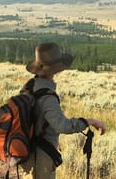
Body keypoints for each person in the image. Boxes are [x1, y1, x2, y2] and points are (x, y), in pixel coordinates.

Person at [20, 42, 106, 179]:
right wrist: (89, 121)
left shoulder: (30, 86)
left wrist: (51, 137)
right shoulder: (47, 96)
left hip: (27, 152)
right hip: (40, 159)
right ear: (56, 68)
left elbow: (34, 117)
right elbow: (62, 126)